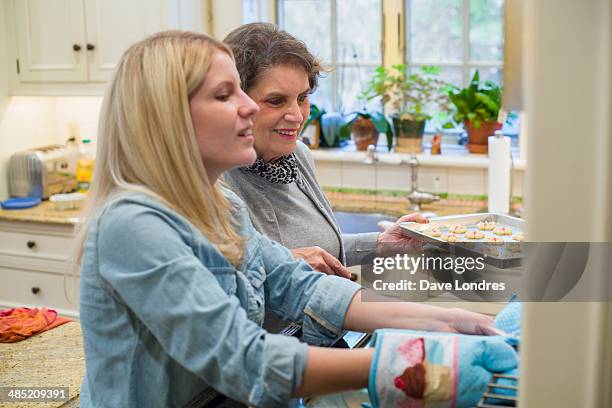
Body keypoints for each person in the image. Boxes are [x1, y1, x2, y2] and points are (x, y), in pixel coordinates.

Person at [76, 30, 499, 408]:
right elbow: (243, 359)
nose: (247, 105)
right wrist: (413, 362)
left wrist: (451, 322)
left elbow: (304, 288)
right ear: (166, 118)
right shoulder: (132, 226)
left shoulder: (220, 206)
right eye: (226, 95)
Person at [223, 23, 426, 280]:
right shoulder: (216, 179)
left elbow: (321, 253)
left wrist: (381, 244)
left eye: (302, 98)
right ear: (235, 100)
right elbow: (234, 282)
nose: (297, 116)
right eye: (276, 101)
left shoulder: (297, 156)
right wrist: (286, 264)